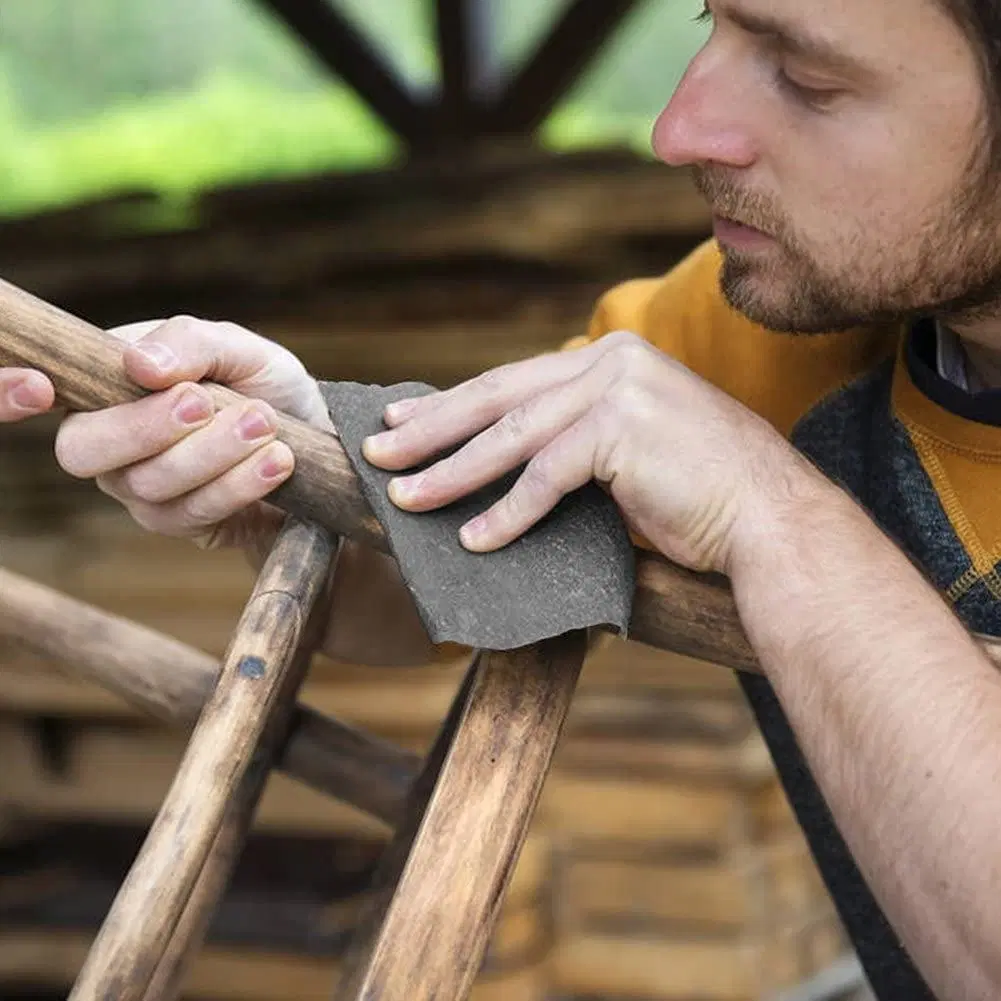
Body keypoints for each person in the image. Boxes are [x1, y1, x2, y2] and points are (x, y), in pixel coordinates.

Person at [2, 0, 1000, 995]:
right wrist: (303, 462)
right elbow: (455, 574)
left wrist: (774, 516)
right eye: (708, 21)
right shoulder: (755, 338)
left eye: (806, 77)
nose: (675, 130)